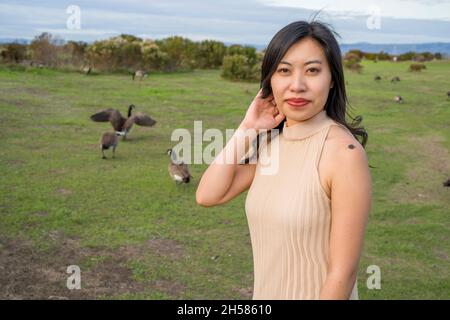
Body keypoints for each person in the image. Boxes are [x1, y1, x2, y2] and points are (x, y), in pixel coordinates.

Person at [196, 20, 372, 300]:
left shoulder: (344, 154)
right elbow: (208, 195)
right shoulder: (270, 144)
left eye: (312, 70)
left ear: (332, 80)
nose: (297, 85)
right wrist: (247, 127)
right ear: (270, 82)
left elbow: (342, 274)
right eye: (284, 71)